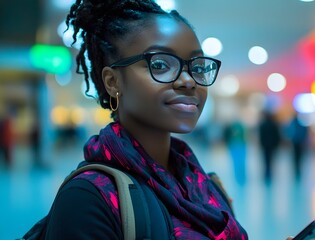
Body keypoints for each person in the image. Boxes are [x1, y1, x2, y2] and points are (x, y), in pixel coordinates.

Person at [43, 1, 248, 239]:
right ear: (113, 82)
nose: (189, 81)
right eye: (160, 64)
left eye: (197, 67)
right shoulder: (88, 199)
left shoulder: (204, 184)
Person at [258, 110, 281, 183]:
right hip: (271, 146)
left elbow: (261, 136)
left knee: (266, 160)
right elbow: (277, 136)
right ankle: (269, 173)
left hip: (265, 145)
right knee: (271, 159)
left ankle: (266, 173)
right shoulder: (274, 124)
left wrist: (261, 144)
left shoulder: (263, 125)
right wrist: (276, 144)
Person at [286, 113, 308, 182]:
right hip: (297, 141)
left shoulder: (295, 123)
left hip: (296, 141)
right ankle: (297, 169)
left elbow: (289, 132)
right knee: (298, 157)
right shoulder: (299, 123)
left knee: (296, 157)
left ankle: (297, 169)